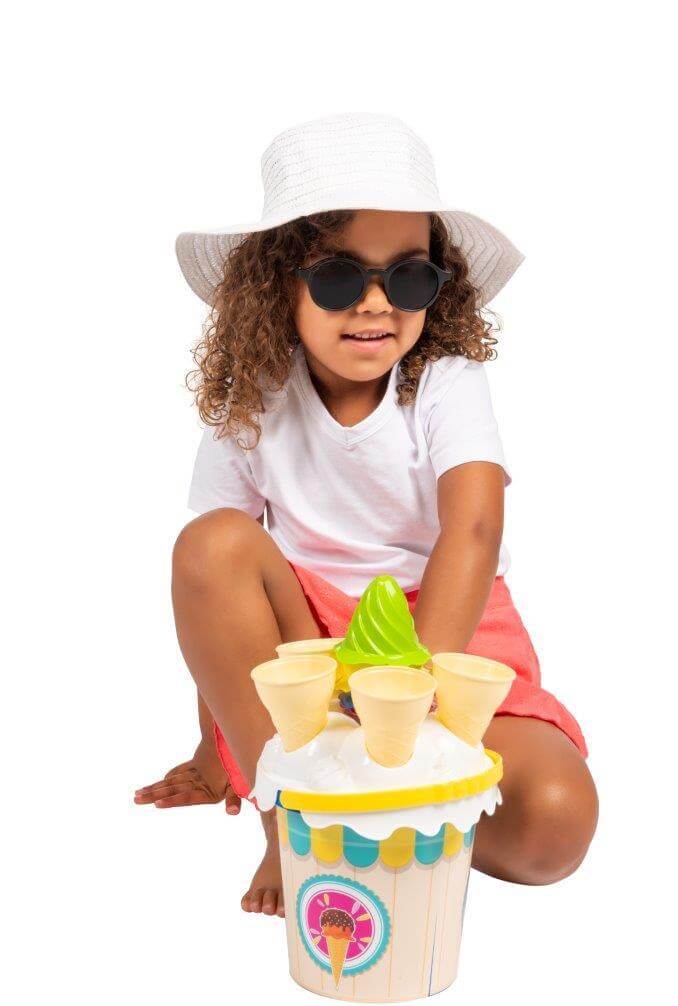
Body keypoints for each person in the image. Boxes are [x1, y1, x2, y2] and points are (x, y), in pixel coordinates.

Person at [134, 112, 598, 916]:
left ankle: (387, 806)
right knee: (208, 542)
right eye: (339, 278)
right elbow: (213, 591)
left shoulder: (445, 383)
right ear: (278, 285)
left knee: (553, 827)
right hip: (307, 648)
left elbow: (474, 529)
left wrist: (411, 688)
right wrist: (217, 751)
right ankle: (293, 818)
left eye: (408, 277)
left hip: (443, 630)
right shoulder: (256, 400)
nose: (376, 304)